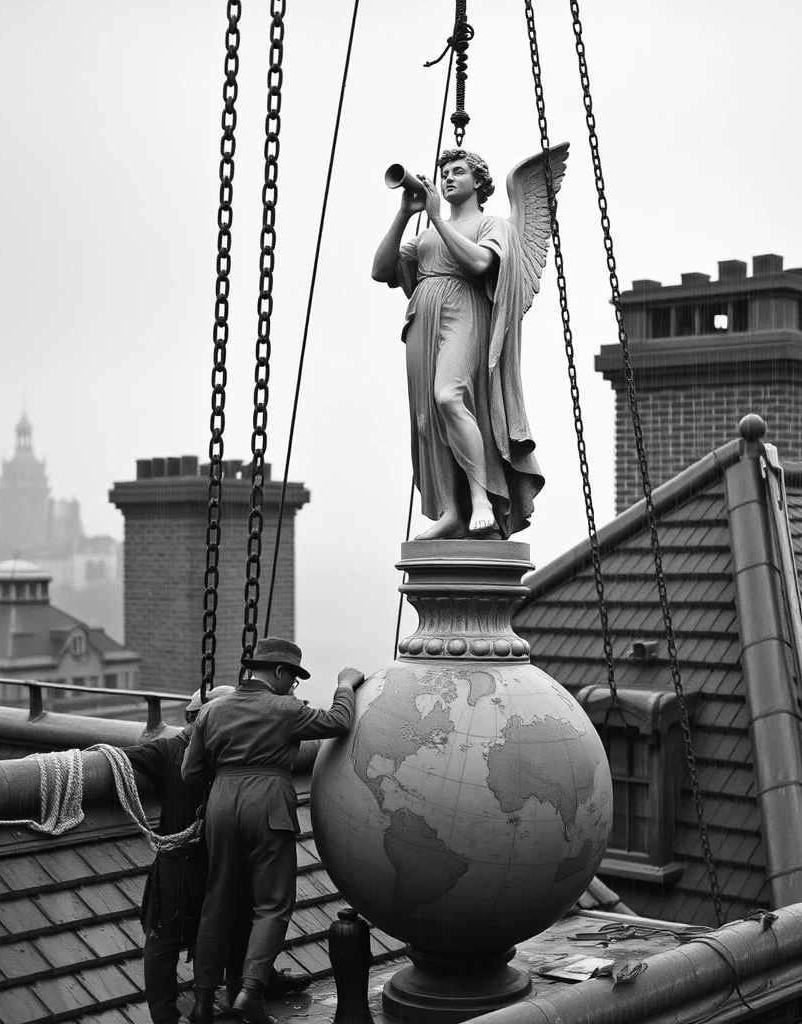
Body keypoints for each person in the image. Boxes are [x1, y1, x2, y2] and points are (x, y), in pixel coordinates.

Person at [182, 636, 366, 1024]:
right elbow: (339, 721)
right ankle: (249, 994)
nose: (293, 686)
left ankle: (201, 1002)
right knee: (273, 903)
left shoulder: (212, 711)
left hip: (221, 803)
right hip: (268, 802)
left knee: (217, 902)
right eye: (293, 678)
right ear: (280, 673)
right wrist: (344, 685)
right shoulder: (285, 708)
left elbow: (190, 772)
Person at [372, 147, 544, 541]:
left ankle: (481, 498)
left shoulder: (492, 224)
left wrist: (434, 215)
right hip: (421, 321)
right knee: (427, 417)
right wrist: (405, 213)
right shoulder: (427, 238)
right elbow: (380, 269)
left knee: (449, 396)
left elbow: (481, 264)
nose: (448, 177)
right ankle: (451, 511)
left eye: (458, 171)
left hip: (463, 311)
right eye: (444, 171)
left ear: (478, 183)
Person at [122, 684, 234, 1024]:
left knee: (185, 940)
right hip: (193, 864)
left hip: (197, 865)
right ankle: (172, 1015)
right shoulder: (180, 751)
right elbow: (122, 759)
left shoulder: (187, 752)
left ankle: (180, 1012)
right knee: (174, 940)